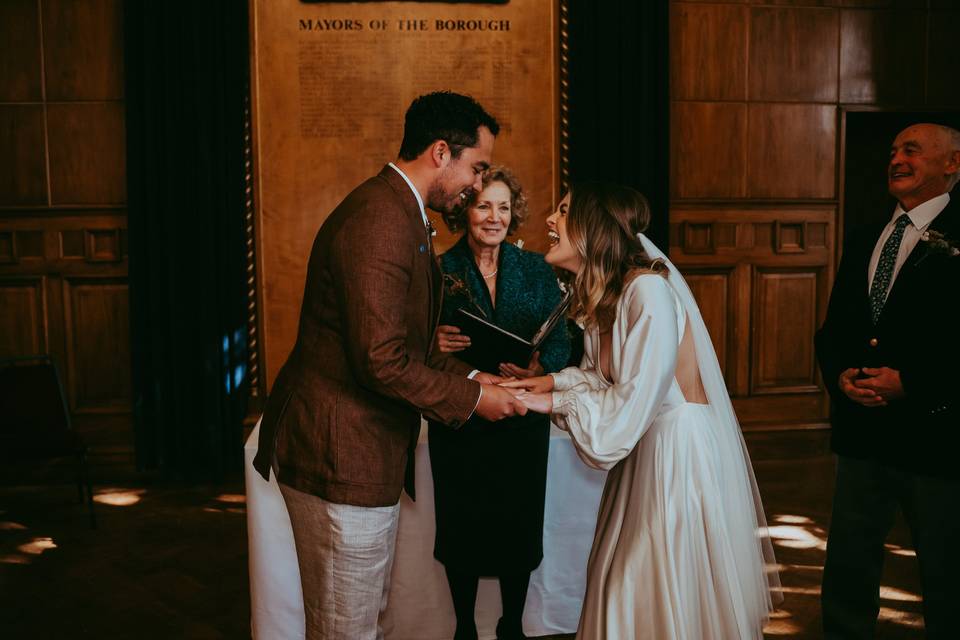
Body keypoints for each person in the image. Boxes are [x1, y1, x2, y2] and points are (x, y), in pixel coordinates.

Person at [252, 92, 528, 640]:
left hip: (360, 452)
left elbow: (410, 347)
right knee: (345, 628)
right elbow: (380, 361)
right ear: (441, 152)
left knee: (364, 619)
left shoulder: (402, 212)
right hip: (341, 455)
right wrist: (475, 402)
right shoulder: (381, 219)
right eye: (476, 168)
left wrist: (476, 378)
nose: (478, 184)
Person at [503, 182, 777, 639]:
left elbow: (630, 405)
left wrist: (552, 401)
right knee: (620, 580)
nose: (550, 220)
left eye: (564, 211)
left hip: (676, 459)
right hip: (643, 452)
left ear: (595, 227)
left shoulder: (647, 291)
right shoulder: (609, 297)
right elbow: (603, 379)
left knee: (646, 580)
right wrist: (550, 382)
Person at [815, 123, 960, 639]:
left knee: (946, 570)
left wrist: (914, 383)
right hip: (863, 433)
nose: (896, 158)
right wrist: (842, 379)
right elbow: (834, 331)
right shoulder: (864, 236)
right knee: (850, 562)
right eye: (894, 149)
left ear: (952, 164)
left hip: (938, 437)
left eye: (912, 150)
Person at [428, 166, 570, 640]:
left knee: (517, 525)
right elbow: (410, 345)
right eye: (484, 205)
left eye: (504, 207)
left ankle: (513, 625)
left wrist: (539, 372)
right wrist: (435, 341)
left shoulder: (536, 268)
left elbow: (560, 340)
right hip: (462, 417)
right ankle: (464, 627)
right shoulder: (439, 270)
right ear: (465, 210)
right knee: (462, 524)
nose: (494, 217)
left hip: (522, 418)